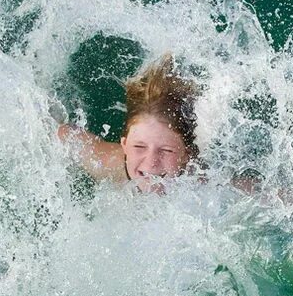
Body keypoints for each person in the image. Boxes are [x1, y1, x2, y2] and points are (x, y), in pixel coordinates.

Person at [57, 54, 204, 194]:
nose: (151, 162)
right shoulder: (108, 164)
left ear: (187, 154)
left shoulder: (206, 181)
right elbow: (63, 134)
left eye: (166, 150)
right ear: (124, 144)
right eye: (139, 146)